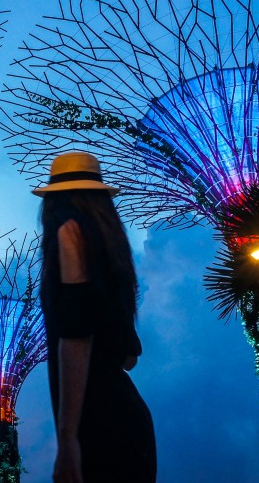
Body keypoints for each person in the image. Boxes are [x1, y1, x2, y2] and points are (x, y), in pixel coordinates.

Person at [34, 150, 157, 483]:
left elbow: (76, 337)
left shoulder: (68, 232)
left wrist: (67, 438)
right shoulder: (112, 255)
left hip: (97, 424)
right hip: (127, 419)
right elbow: (128, 358)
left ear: (53, 201)